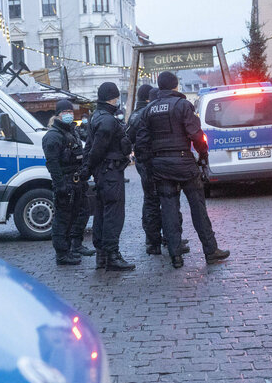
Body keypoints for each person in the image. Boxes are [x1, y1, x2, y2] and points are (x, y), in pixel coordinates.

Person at [134, 71, 230, 269]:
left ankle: (175, 256)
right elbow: (196, 135)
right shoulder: (183, 105)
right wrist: (203, 155)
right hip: (184, 162)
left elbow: (141, 143)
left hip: (161, 166)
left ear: (159, 87)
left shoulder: (148, 110)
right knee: (198, 208)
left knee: (168, 210)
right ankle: (210, 250)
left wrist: (149, 165)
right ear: (176, 86)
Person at [78, 82, 135, 270]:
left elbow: (89, 147)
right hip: (111, 172)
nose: (118, 101)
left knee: (102, 213)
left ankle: (102, 255)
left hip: (103, 173)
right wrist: (87, 169)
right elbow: (97, 149)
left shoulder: (97, 117)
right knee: (113, 214)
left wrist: (87, 168)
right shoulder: (108, 121)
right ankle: (112, 256)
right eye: (117, 98)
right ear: (113, 98)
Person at [129, 85, 190, 255]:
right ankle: (162, 240)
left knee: (152, 201)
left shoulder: (136, 114)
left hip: (146, 163)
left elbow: (129, 138)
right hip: (153, 162)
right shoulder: (146, 113)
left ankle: (157, 239)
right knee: (163, 201)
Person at [42, 99, 94, 264]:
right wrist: (60, 185)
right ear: (58, 114)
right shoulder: (53, 136)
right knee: (63, 219)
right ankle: (62, 254)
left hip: (76, 181)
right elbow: (52, 163)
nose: (69, 115)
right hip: (65, 182)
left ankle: (73, 247)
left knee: (77, 215)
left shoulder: (71, 131)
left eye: (71, 112)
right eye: (66, 112)